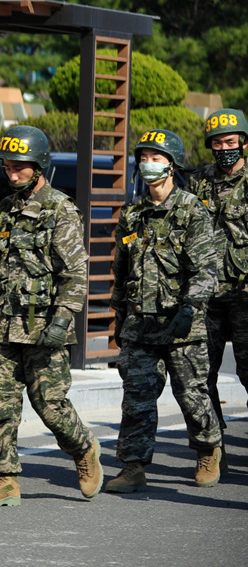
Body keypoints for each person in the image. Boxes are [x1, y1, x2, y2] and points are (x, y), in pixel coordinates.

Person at [0, 126, 102, 506]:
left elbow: (75, 273)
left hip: (45, 327)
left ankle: (83, 449)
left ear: (40, 165)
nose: (13, 175)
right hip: (4, 325)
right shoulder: (3, 211)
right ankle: (5, 478)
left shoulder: (60, 209)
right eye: (8, 167)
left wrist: (62, 320)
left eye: (21, 168)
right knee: (2, 409)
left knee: (51, 405)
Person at [107, 129, 223, 492]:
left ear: (172, 165)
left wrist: (191, 307)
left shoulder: (192, 211)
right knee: (137, 399)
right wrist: (119, 317)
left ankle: (208, 449)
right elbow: (121, 270)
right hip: (140, 325)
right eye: (143, 158)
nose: (148, 165)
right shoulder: (133, 213)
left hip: (181, 324)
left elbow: (206, 268)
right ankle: (133, 465)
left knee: (192, 394)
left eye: (156, 158)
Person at [189, 108, 248, 461]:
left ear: (243, 142)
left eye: (230, 140)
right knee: (200, 374)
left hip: (244, 295)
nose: (224, 147)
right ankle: (212, 447)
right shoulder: (200, 181)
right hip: (206, 296)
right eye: (217, 142)